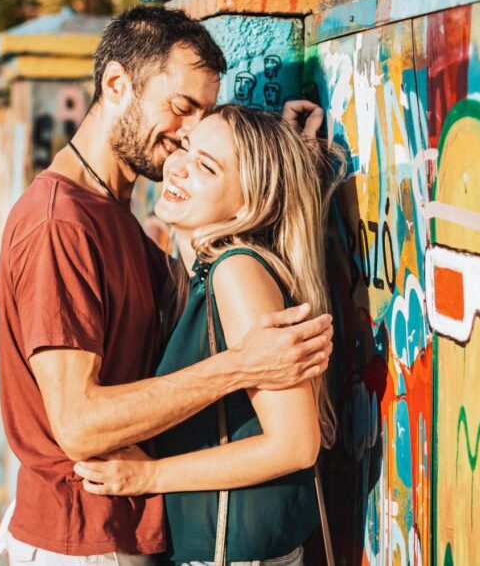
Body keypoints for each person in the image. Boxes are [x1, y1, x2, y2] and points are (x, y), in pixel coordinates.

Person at [0, 6, 332, 566]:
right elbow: (78, 424)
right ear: (118, 84)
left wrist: (285, 167)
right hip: (85, 539)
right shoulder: (60, 222)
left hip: (122, 532)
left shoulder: (114, 215)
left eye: (202, 118)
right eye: (181, 108)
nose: (187, 134)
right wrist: (243, 367)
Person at [72, 105, 337, 566]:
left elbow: (294, 444)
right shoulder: (202, 272)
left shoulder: (235, 272)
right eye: (187, 148)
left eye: (206, 167)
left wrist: (146, 477)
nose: (178, 166)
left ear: (250, 205)